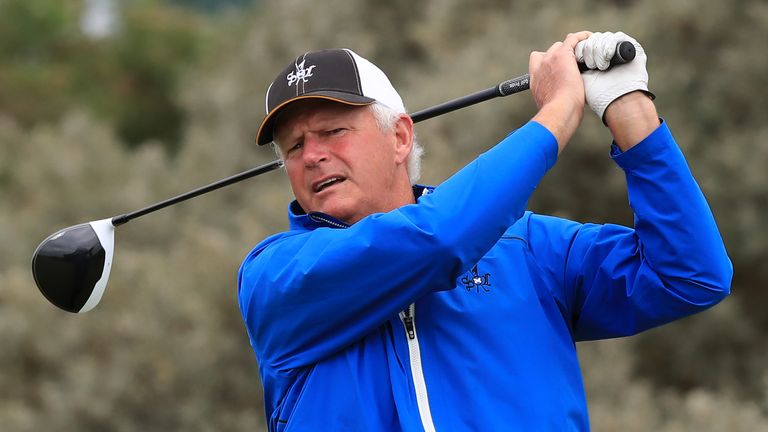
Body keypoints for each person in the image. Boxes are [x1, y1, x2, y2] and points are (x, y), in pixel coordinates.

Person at [238, 31, 732, 431]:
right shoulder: (274, 277)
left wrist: (629, 109)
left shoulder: (525, 249)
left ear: (400, 136)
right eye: (293, 146)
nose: (311, 155)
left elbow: (690, 275)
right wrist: (558, 112)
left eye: (331, 131)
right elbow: (438, 240)